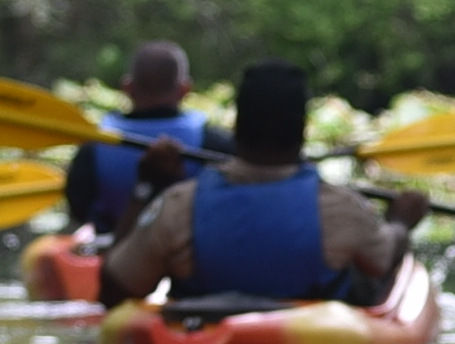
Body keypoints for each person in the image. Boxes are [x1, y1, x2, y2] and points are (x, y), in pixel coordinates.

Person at [100, 62, 419, 308]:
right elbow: (384, 258)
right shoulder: (341, 209)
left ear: (237, 127)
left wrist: (145, 187)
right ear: (302, 129)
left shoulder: (179, 205)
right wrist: (401, 222)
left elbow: (114, 290)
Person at [61, 40, 213, 236]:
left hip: (115, 248)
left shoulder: (94, 146)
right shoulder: (213, 143)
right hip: (192, 251)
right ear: (185, 89)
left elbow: (79, 210)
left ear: (127, 87)